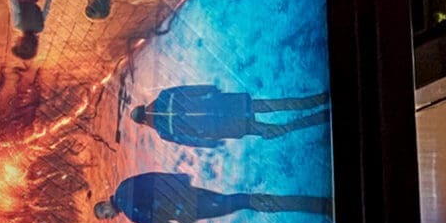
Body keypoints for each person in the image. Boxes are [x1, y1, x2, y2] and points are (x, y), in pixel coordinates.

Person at [94, 171, 332, 223]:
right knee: (232, 199)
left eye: (105, 215)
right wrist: (179, 181)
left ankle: (309, 205)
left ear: (105, 206)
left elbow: (156, 222)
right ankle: (307, 203)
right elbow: (153, 177)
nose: (109, 218)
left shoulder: (130, 211)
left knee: (235, 204)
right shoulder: (123, 186)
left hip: (186, 208)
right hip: (186, 192)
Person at [130, 85, 327, 147]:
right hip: (225, 104)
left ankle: (314, 119)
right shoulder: (164, 96)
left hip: (223, 127)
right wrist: (210, 89)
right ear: (144, 107)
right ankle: (318, 100)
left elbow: (190, 140)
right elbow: (191, 90)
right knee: (274, 105)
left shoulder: (163, 132)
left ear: (143, 123)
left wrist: (210, 143)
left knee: (269, 130)